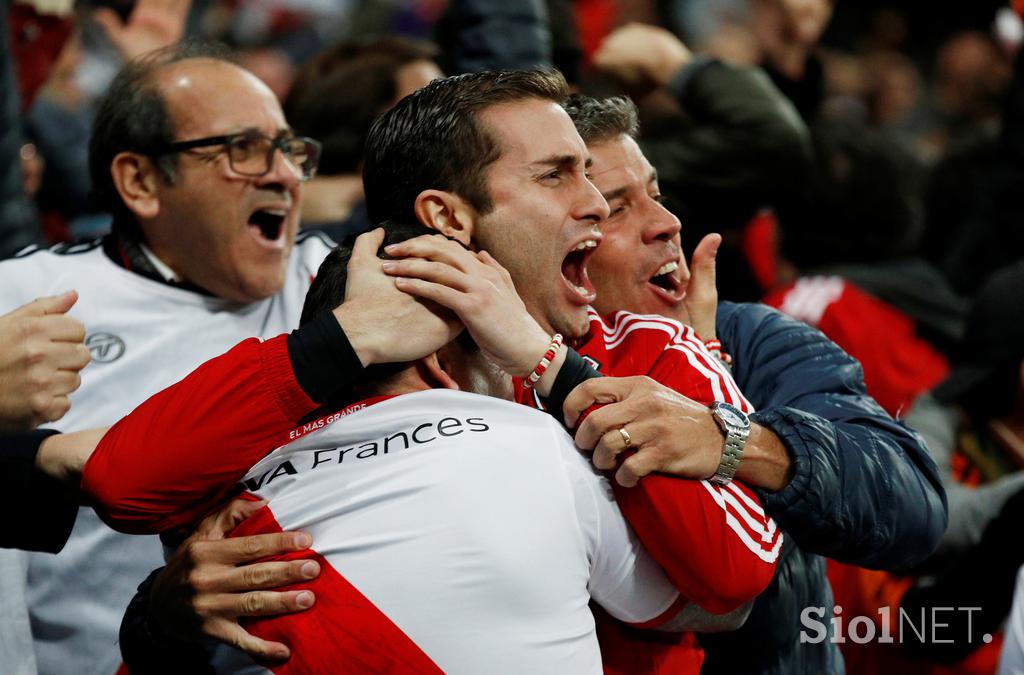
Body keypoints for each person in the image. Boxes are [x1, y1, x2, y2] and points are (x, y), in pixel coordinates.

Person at [87, 69, 782, 672]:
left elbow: (741, 584)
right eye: (556, 174)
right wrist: (348, 338)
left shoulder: (651, 351)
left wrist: (550, 366)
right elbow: (119, 486)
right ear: (447, 217)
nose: (595, 201)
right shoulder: (325, 378)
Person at [0, 39, 462, 674]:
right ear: (140, 181)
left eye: (289, 151)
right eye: (242, 150)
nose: (279, 174)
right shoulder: (23, 301)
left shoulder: (344, 285)